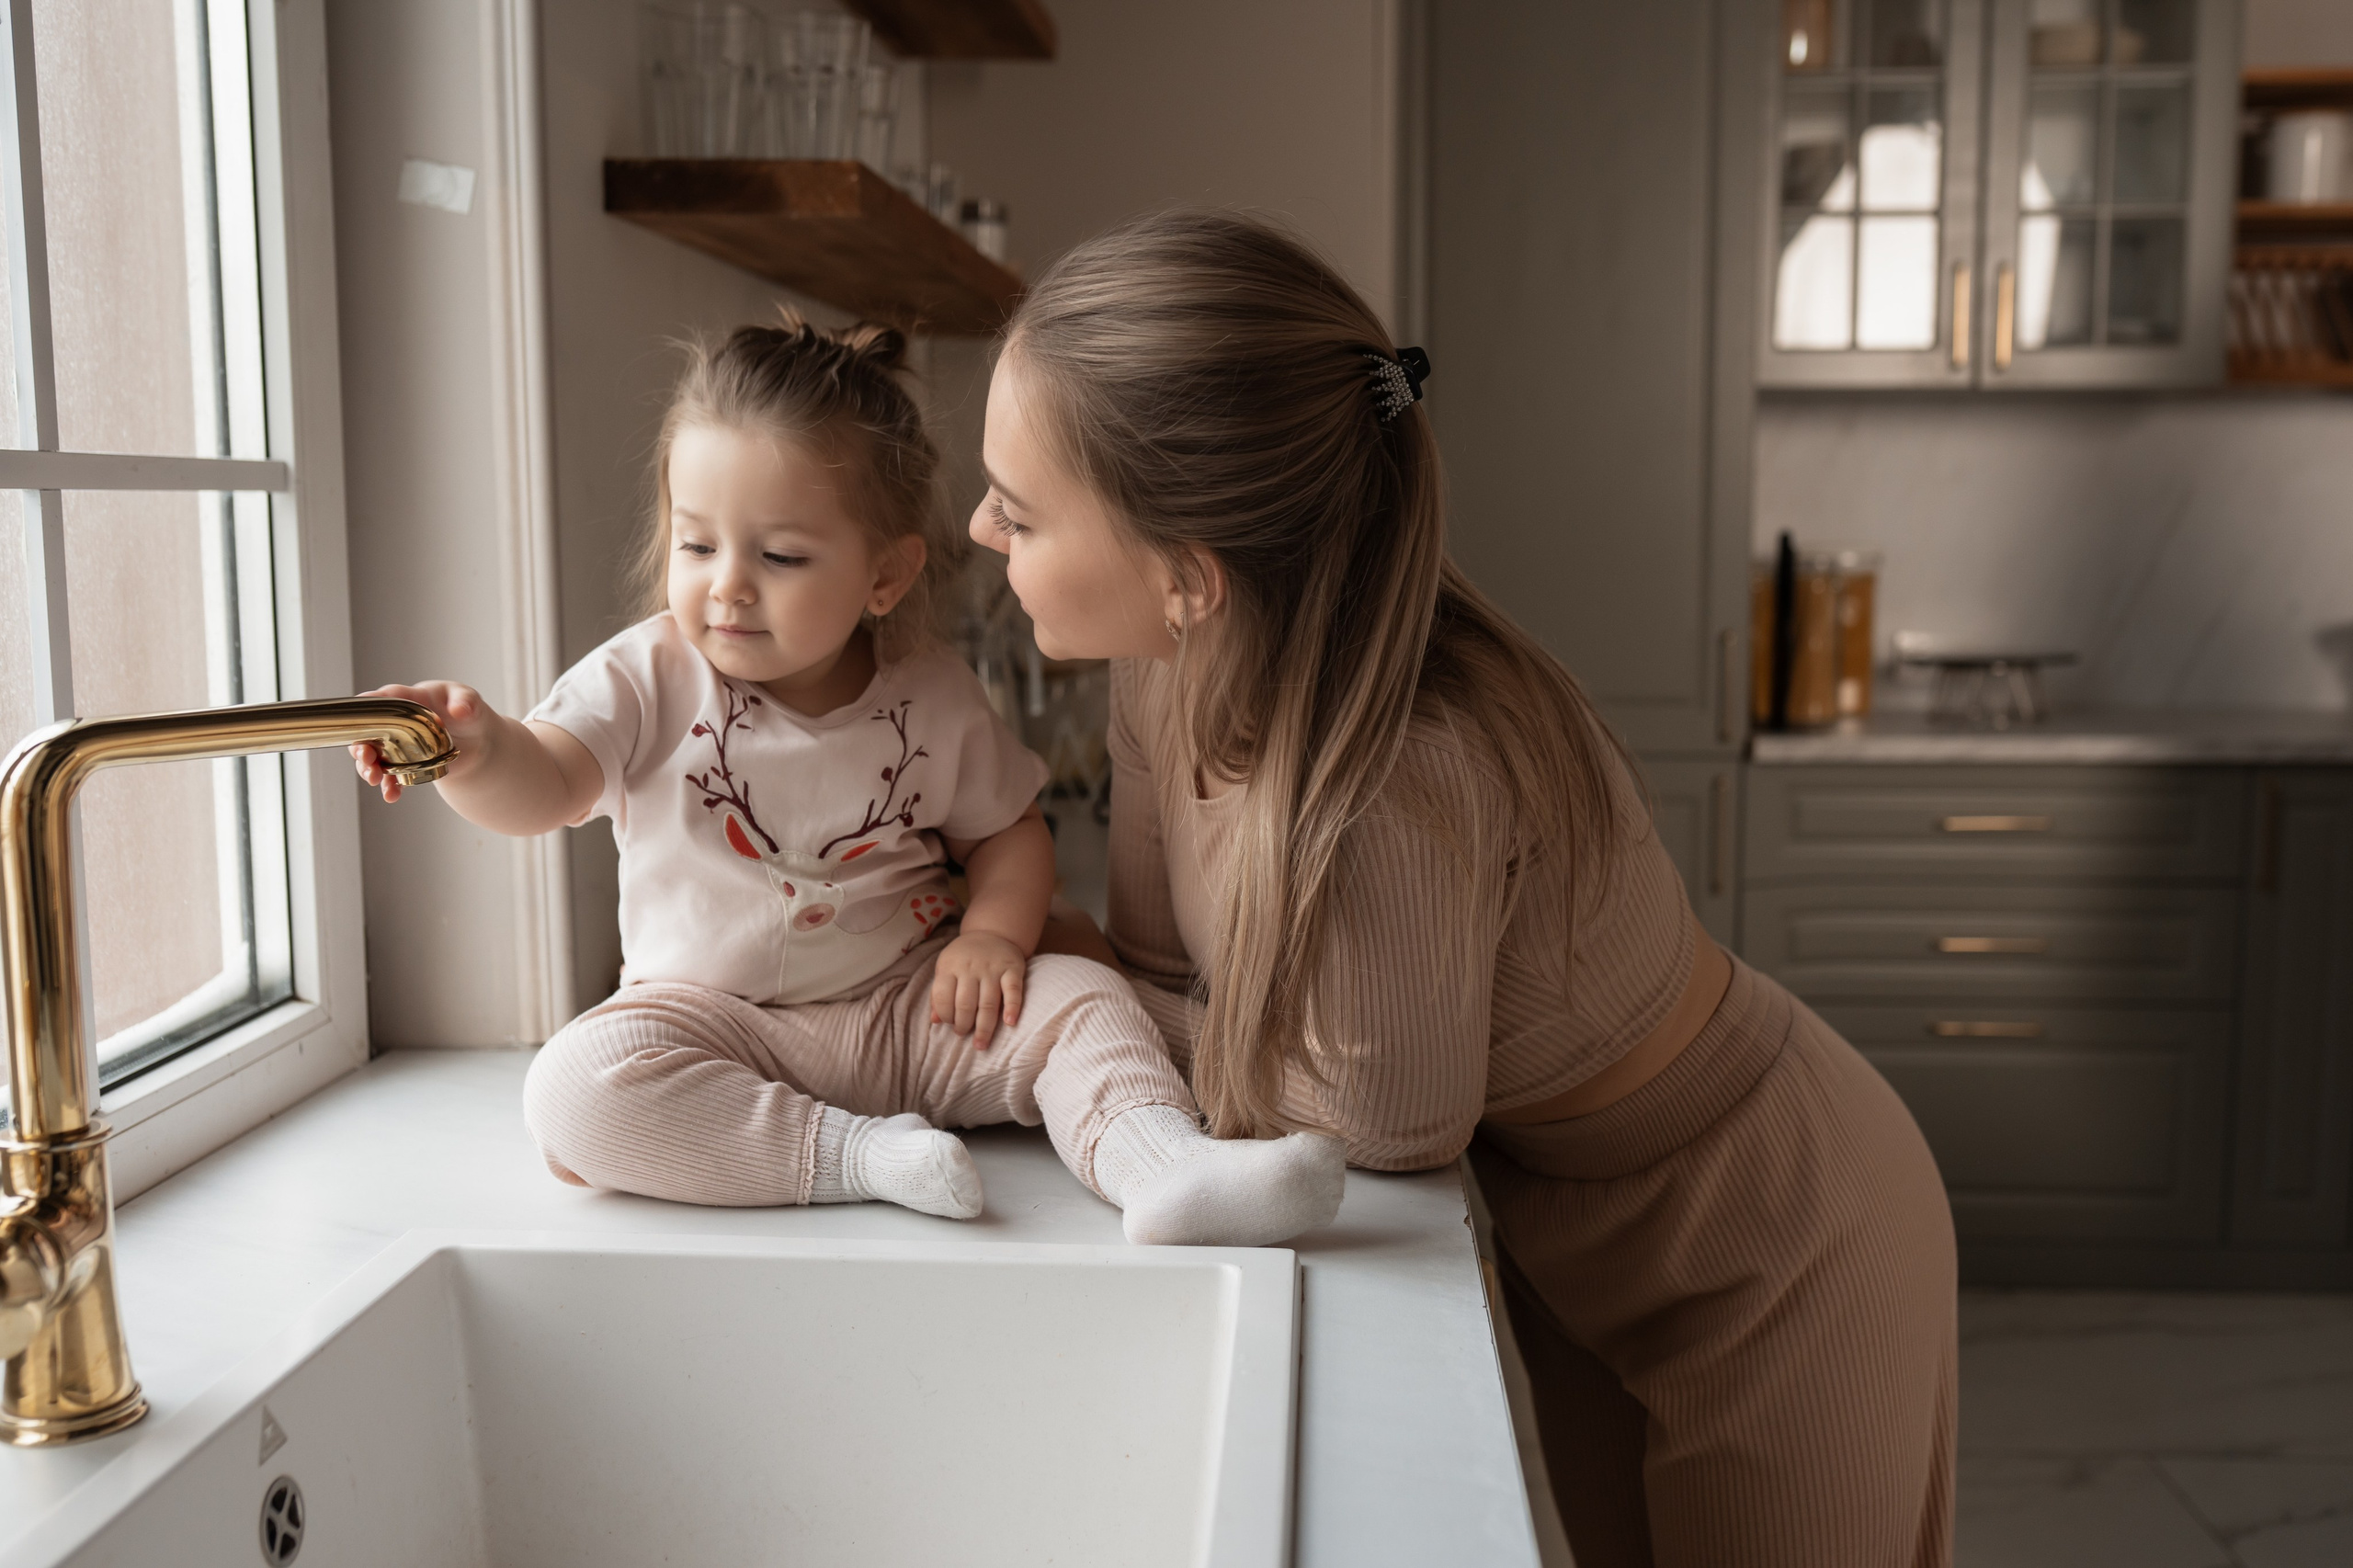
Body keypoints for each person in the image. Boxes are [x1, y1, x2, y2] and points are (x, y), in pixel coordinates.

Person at [971, 211, 1957, 1568]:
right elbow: (1158, 985)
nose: (976, 529)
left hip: (1768, 1228)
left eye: (1017, 513)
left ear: (1189, 575)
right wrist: (1087, 993)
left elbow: (1378, 1122)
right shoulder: (1163, 677)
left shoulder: (1399, 777)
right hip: (1573, 1221)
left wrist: (1066, 1003)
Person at [348, 312, 1343, 1246]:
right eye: (696, 544)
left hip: (917, 1010)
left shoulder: (933, 696)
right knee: (571, 1088)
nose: (726, 582)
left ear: (885, 575)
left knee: (1079, 993)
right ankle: (857, 1157)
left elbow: (1007, 833)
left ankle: (1161, 1164)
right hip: (718, 1024)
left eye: (778, 554)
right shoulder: (644, 676)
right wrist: (473, 753)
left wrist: (993, 938)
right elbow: (548, 784)